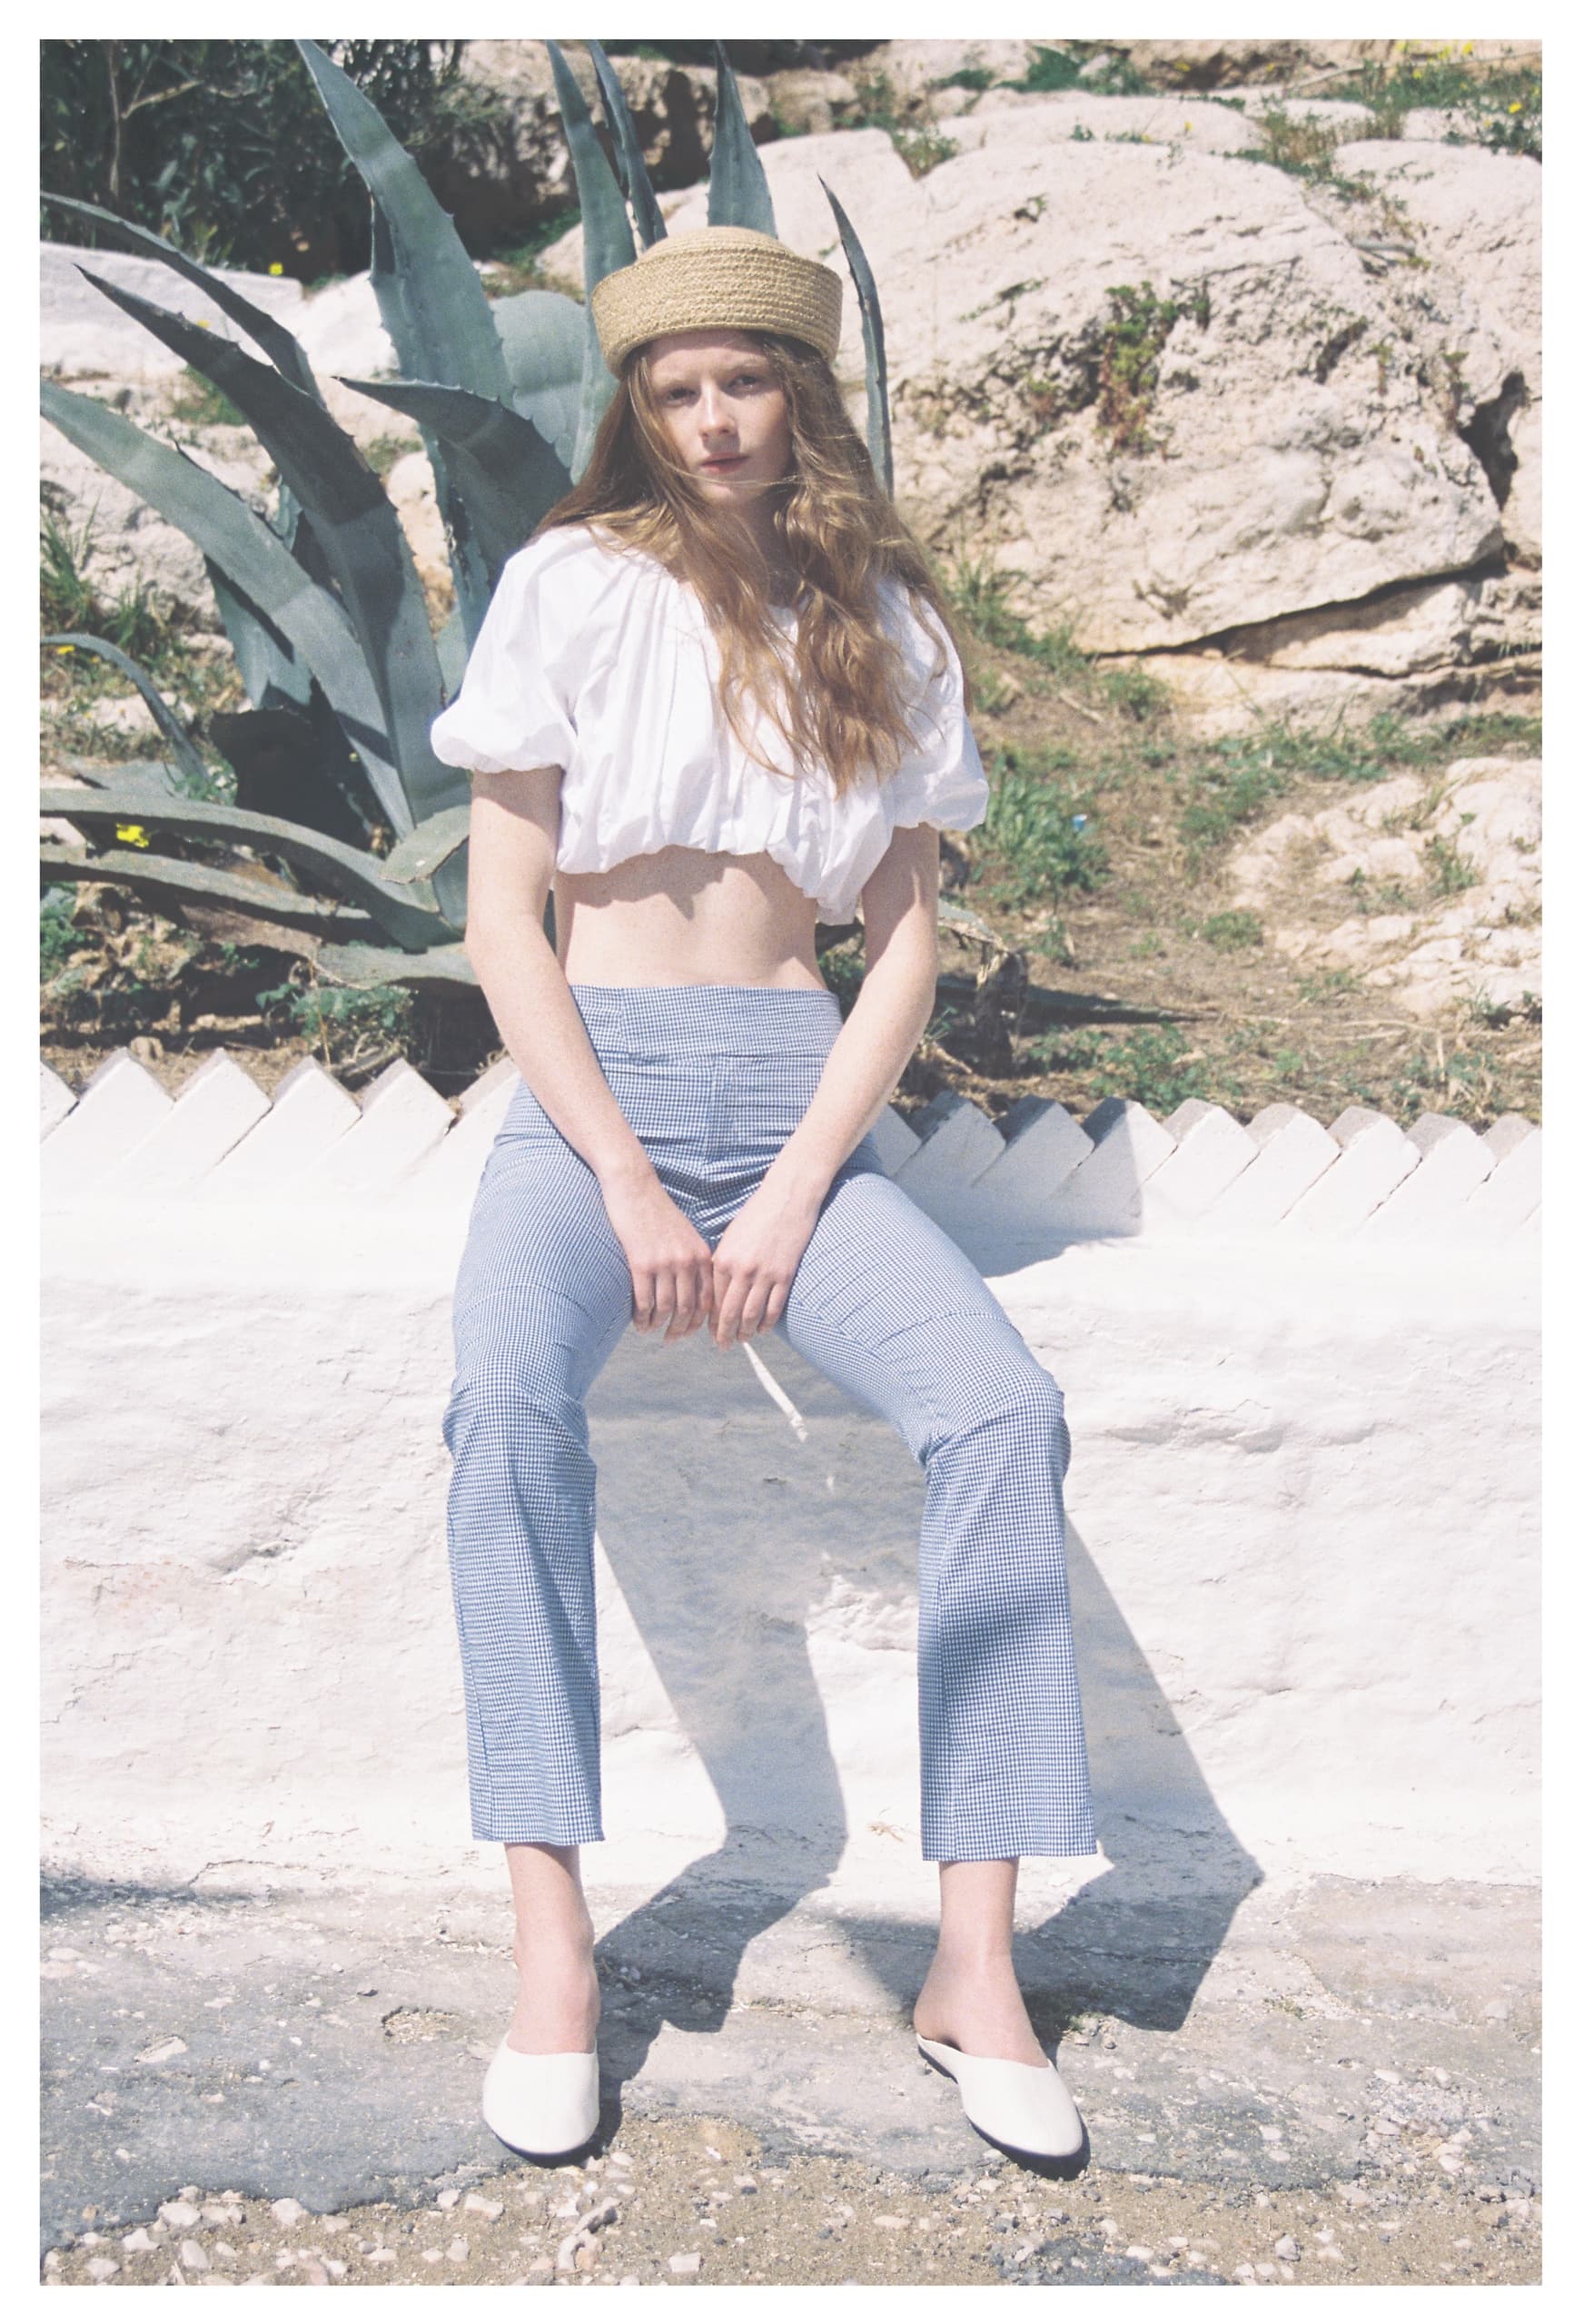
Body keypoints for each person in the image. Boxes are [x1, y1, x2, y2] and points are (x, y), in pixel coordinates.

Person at [429, 224, 1096, 2170]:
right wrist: (630, 1179)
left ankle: (973, 1965)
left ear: (799, 395)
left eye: (744, 382)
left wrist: (798, 1185)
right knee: (502, 1415)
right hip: (595, 1104)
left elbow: (901, 948)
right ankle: (554, 1952)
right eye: (675, 390)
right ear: (638, 411)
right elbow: (502, 919)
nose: (713, 418)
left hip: (799, 1104)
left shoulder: (882, 617)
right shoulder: (569, 583)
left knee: (1002, 1413)